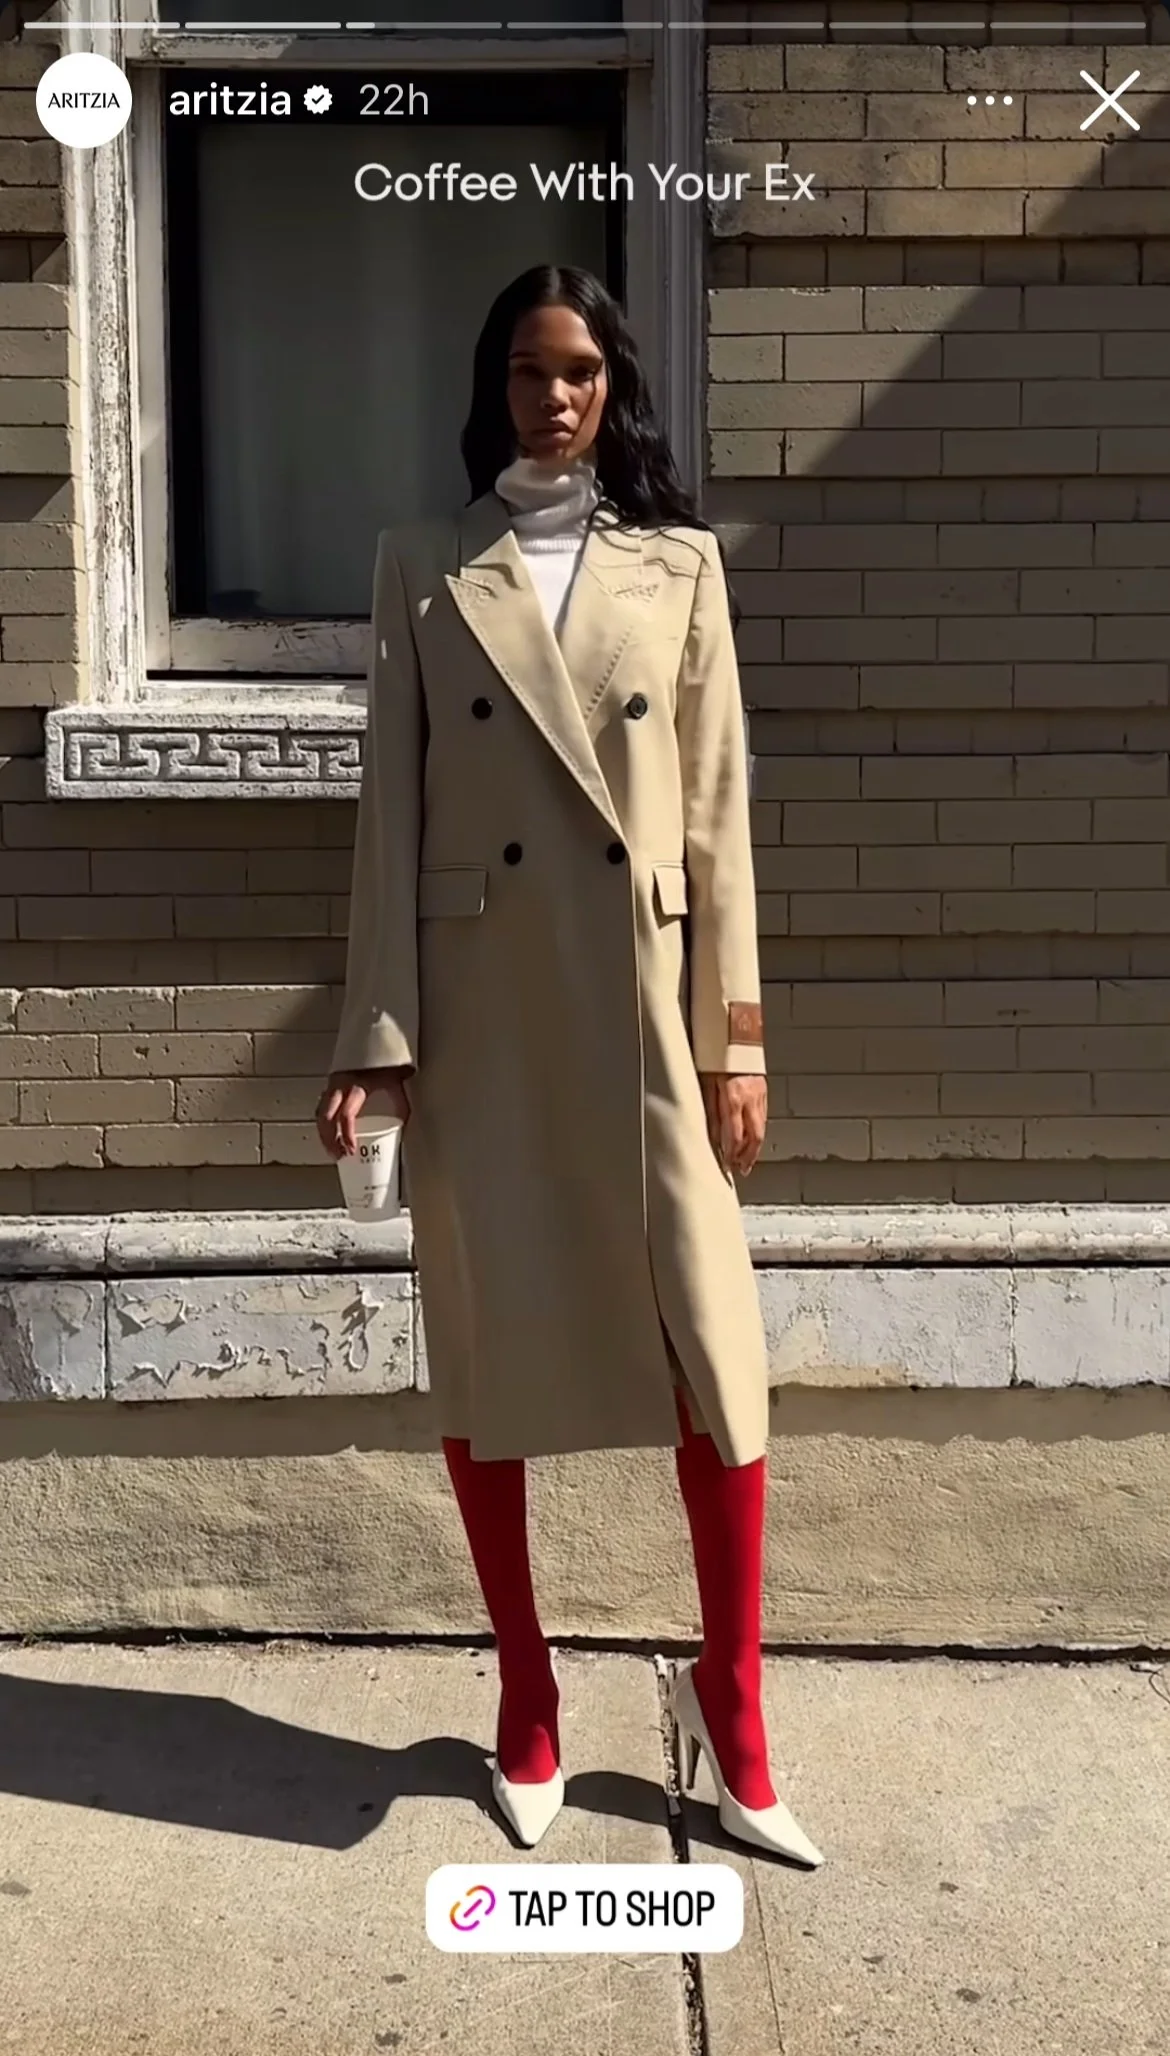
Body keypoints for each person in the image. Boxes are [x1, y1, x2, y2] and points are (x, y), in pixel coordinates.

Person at [316, 265, 823, 1868]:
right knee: (488, 1357)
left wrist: (734, 1037)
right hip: (480, 1016)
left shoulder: (676, 568)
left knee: (712, 1365)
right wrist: (375, 1048)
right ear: (495, 383)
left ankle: (729, 1708)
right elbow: (384, 827)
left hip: (643, 1012)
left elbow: (716, 815)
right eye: (533, 370)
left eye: (584, 372)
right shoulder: (419, 563)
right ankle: (525, 1694)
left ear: (614, 390)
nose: (557, 397)